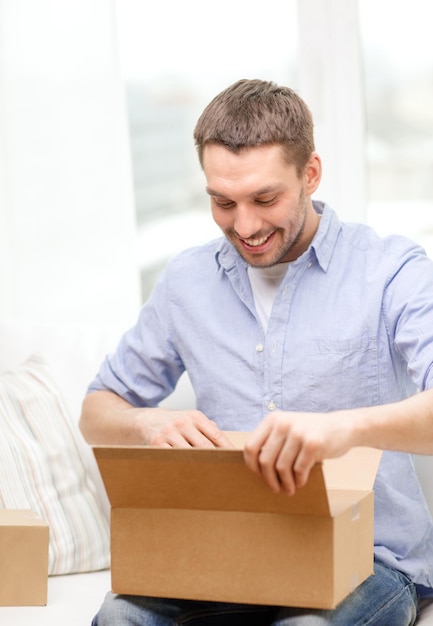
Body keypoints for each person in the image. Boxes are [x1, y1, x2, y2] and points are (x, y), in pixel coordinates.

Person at [80, 79, 433, 625]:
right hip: (227, 553)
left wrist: (344, 430)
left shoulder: (390, 271)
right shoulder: (186, 283)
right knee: (117, 617)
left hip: (370, 561)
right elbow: (97, 410)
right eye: (223, 202)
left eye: (265, 199)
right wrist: (147, 425)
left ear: (310, 174)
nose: (244, 227)